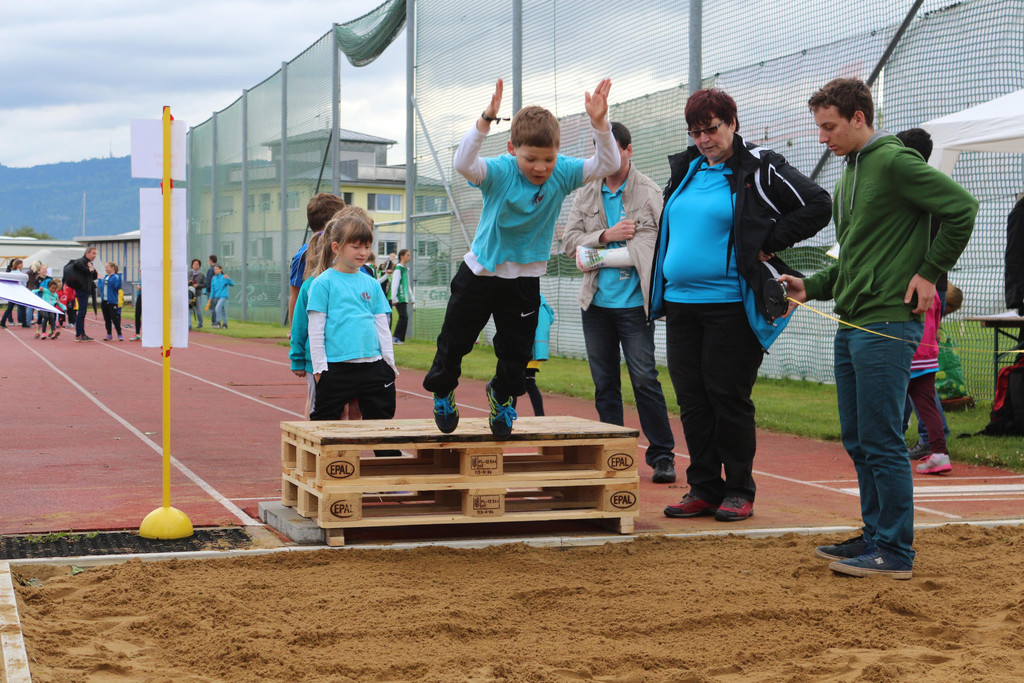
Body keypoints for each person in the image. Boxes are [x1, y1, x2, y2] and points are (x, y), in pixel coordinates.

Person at [781, 78, 977, 579]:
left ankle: (895, 551)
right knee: (858, 438)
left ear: (859, 118)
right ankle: (874, 536)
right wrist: (809, 286)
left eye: (829, 127)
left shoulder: (893, 161)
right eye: (819, 127)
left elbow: (962, 208)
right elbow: (852, 260)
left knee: (883, 439)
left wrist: (929, 273)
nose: (822, 137)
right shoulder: (849, 175)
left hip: (887, 323)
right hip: (852, 321)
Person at [650, 89, 831, 522]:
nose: (703, 139)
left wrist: (767, 240)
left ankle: (738, 489)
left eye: (711, 129)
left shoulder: (761, 165)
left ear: (732, 122)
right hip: (681, 305)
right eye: (695, 132)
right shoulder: (689, 168)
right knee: (693, 399)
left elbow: (819, 205)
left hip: (731, 304)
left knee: (727, 396)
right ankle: (703, 487)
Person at [424, 77, 620, 437]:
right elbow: (463, 163)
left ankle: (501, 395)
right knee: (455, 341)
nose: (540, 168)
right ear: (512, 149)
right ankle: (443, 390)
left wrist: (599, 123)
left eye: (548, 159)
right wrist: (486, 119)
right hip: (481, 273)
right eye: (531, 159)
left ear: (558, 152)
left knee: (516, 352)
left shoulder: (562, 172)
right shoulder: (500, 171)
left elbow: (607, 163)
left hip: (525, 277)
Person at [562, 121, 678, 484]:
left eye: (613, 150)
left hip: (635, 306)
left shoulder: (650, 192)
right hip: (596, 305)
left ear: (628, 150)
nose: (607, 157)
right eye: (601, 151)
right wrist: (605, 236)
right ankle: (615, 454)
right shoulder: (586, 193)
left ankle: (662, 455)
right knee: (604, 384)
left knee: (644, 380)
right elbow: (569, 244)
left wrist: (595, 253)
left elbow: (657, 245)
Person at [306, 210, 399, 458]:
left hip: (374, 367)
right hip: (336, 370)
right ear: (336, 247)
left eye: (366, 247)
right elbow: (315, 329)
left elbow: (382, 325)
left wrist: (389, 363)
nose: (362, 252)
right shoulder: (323, 283)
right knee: (324, 426)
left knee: (383, 428)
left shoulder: (371, 283)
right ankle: (328, 471)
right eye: (355, 246)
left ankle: (389, 472)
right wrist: (319, 369)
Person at [896, 128, 950, 458]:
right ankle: (903, 431)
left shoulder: (918, 189)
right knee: (910, 368)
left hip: (916, 288)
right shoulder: (934, 186)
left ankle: (932, 436)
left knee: (914, 368)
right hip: (933, 285)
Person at [287, 194, 347, 326]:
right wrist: (295, 331)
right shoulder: (303, 255)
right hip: (316, 325)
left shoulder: (345, 250)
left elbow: (294, 295)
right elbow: (296, 295)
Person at [908, 297, 952, 475]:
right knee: (928, 407)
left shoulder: (903, 287)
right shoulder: (932, 291)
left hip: (907, 353)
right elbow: (936, 318)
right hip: (928, 355)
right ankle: (940, 453)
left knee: (890, 403)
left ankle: (886, 450)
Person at [290, 231, 327, 418]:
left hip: (343, 361)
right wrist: (297, 359)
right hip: (316, 362)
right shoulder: (309, 285)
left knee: (344, 411)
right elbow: (299, 326)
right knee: (318, 410)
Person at [524, 293, 555, 416]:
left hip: (528, 350)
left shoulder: (530, 301)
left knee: (514, 383)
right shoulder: (542, 304)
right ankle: (540, 415)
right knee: (529, 383)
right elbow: (550, 319)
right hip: (535, 352)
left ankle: (508, 416)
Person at [65, 247, 98, 341]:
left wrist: (92, 270)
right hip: (81, 289)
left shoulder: (89, 263)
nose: (95, 256)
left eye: (95, 254)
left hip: (86, 289)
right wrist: (89, 269)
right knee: (81, 312)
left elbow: (94, 276)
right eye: (93, 253)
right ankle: (79, 334)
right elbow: (77, 264)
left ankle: (82, 333)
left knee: (83, 312)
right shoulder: (81, 261)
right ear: (87, 253)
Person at [391, 249, 414, 344]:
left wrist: (412, 297)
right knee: (403, 316)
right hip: (399, 297)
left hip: (404, 297)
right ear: (402, 256)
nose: (409, 257)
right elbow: (395, 283)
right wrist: (394, 298)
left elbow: (407, 284)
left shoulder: (404, 269)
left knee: (404, 317)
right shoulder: (398, 269)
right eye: (407, 255)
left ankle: (400, 339)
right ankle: (396, 337)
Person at [99, 262, 124, 341]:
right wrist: (99, 280)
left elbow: (118, 287)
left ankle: (119, 334)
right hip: (104, 301)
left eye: (107, 267)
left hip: (112, 301)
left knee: (114, 318)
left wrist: (120, 277)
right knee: (107, 318)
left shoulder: (115, 277)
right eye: (105, 267)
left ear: (112, 268)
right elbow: (101, 288)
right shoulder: (105, 277)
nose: (106, 269)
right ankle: (109, 334)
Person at [1, 258, 25, 328]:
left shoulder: (10, 273)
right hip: (18, 293)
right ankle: (24, 323)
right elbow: (23, 284)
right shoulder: (21, 274)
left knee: (9, 309)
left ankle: (3, 322)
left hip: (12, 293)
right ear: (17, 265)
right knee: (22, 308)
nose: (22, 265)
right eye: (21, 264)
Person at [188, 258, 206, 330]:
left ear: (199, 266)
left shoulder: (202, 274)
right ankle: (189, 325)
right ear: (192, 265)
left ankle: (200, 323)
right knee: (189, 310)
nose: (195, 265)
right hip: (189, 295)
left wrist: (197, 285)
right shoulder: (188, 273)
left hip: (198, 295)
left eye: (197, 264)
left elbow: (205, 284)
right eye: (194, 264)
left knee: (198, 309)